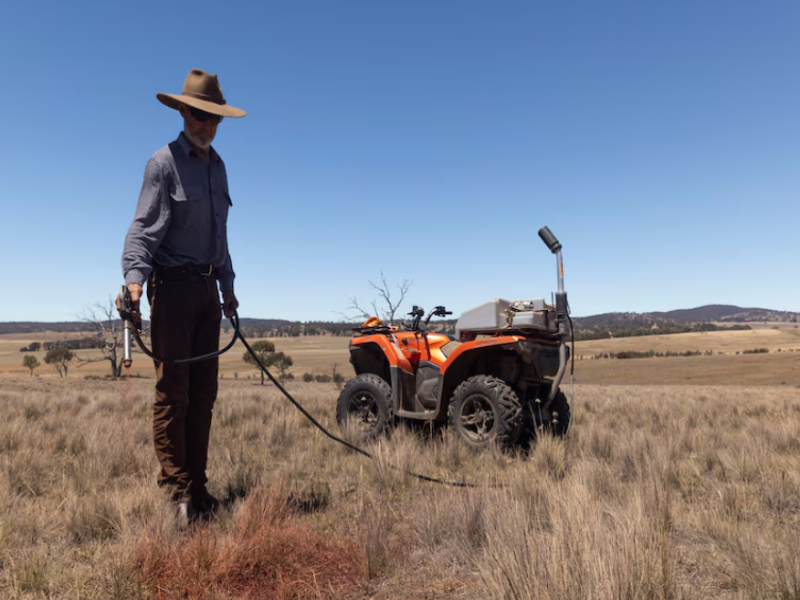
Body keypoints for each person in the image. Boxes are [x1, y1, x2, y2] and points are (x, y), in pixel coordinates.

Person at [119, 69, 246, 526]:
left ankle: (199, 487)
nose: (206, 124)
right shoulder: (163, 163)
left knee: (204, 394)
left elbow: (221, 237)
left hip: (208, 293)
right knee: (173, 394)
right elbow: (143, 228)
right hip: (170, 290)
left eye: (214, 117)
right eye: (199, 114)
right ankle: (177, 495)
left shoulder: (219, 166)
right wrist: (135, 282)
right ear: (182, 111)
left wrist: (228, 288)